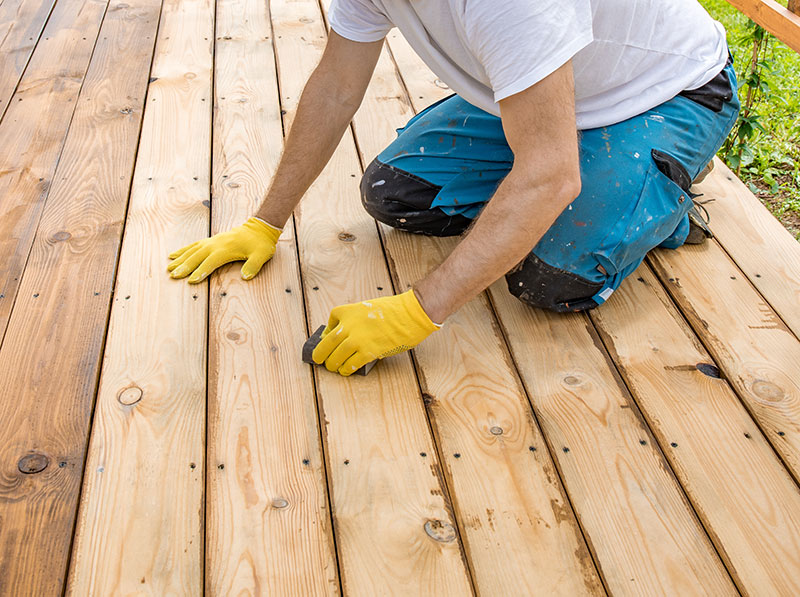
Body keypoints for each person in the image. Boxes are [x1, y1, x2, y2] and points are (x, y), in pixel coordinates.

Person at [167, 0, 739, 376]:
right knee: (396, 194)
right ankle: (588, 174)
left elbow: (550, 174)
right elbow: (336, 87)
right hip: (547, 91)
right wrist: (263, 222)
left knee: (553, 279)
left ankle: (664, 197)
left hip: (664, 97)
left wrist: (416, 313)